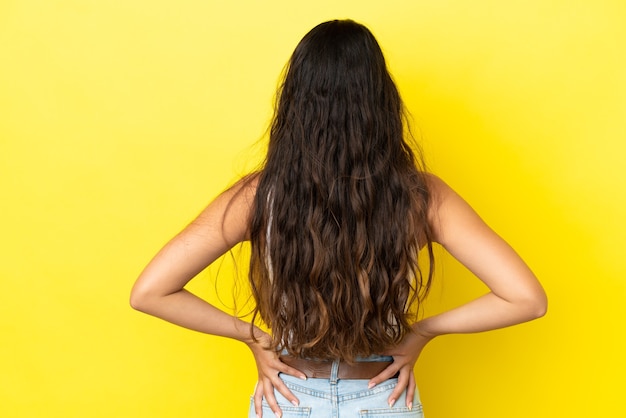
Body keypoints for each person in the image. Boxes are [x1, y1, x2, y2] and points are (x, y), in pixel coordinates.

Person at [130, 19, 547, 418]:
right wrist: (421, 332)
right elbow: (525, 298)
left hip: (288, 399)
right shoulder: (423, 196)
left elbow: (150, 292)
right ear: (381, 102)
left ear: (294, 103)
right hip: (383, 397)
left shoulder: (258, 195)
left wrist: (254, 337)